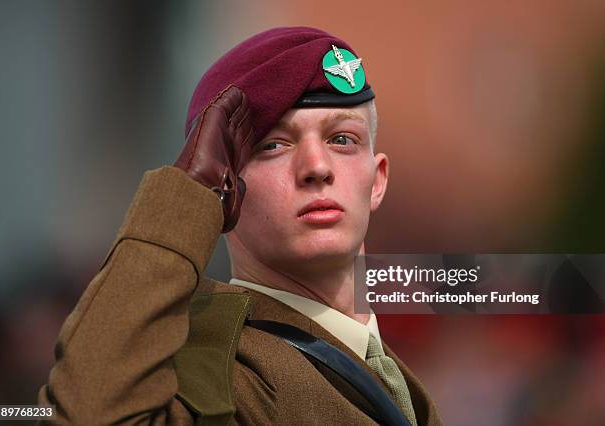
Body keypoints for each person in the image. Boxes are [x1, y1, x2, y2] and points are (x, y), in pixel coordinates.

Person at [39, 27, 442, 425]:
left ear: (378, 180)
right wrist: (189, 194)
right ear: (224, 187)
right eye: (273, 145)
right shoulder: (211, 375)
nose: (317, 167)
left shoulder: (403, 384)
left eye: (342, 139)